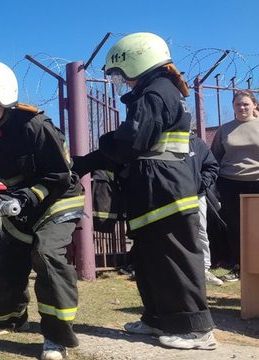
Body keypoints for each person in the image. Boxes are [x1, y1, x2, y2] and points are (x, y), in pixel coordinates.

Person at [0, 57, 85, 360]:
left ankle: (56, 336)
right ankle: (9, 317)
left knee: (47, 256)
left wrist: (26, 197)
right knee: (7, 265)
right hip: (20, 204)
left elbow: (59, 177)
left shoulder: (36, 126)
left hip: (58, 199)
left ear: (4, 98)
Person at [93, 32, 216, 349]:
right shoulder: (157, 91)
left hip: (166, 192)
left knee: (176, 260)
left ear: (138, 62)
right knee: (150, 260)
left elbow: (132, 142)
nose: (122, 81)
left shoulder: (155, 93)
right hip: (156, 192)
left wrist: (105, 143)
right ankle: (157, 318)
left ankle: (196, 329)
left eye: (121, 74)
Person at [211, 90, 259, 282]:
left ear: (254, 105)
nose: (242, 107)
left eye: (246, 104)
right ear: (233, 107)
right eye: (238, 104)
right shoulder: (225, 129)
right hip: (230, 183)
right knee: (235, 227)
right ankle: (239, 267)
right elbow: (215, 156)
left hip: (257, 182)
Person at [185, 133, 223, 286]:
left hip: (196, 195)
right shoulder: (161, 139)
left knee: (200, 231)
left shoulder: (197, 143)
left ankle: (204, 269)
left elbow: (212, 166)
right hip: (170, 196)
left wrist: (201, 184)